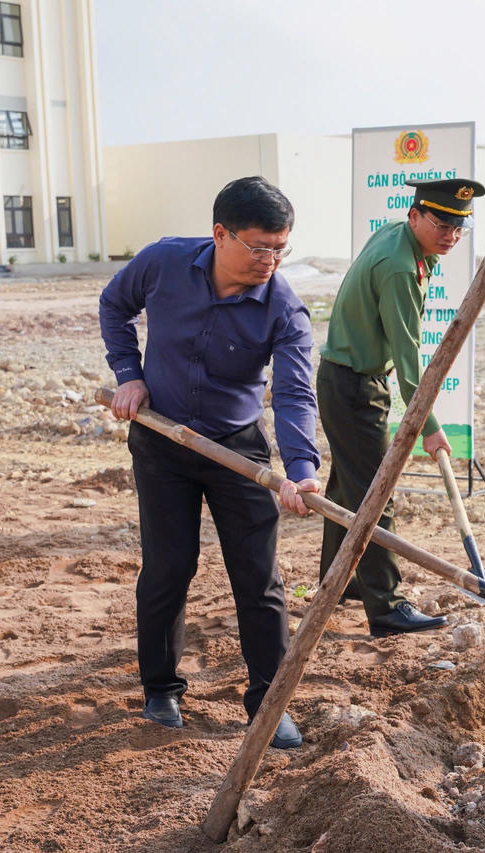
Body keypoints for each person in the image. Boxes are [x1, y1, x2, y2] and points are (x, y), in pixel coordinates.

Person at [99, 176, 319, 749]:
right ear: (220, 234)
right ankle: (162, 689)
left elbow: (294, 393)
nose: (270, 260)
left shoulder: (284, 308)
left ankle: (268, 704)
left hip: (236, 450)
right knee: (169, 565)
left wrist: (298, 468)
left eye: (280, 248)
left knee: (259, 577)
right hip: (162, 440)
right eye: (258, 247)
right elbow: (114, 306)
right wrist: (130, 375)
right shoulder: (164, 263)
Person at [317, 178, 485, 637]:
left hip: (345, 380)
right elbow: (410, 364)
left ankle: (338, 580)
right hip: (353, 389)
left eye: (459, 226)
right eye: (441, 223)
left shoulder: (401, 240)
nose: (450, 234)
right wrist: (429, 427)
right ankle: (387, 608)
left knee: (347, 492)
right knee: (376, 498)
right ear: (414, 216)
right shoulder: (399, 269)